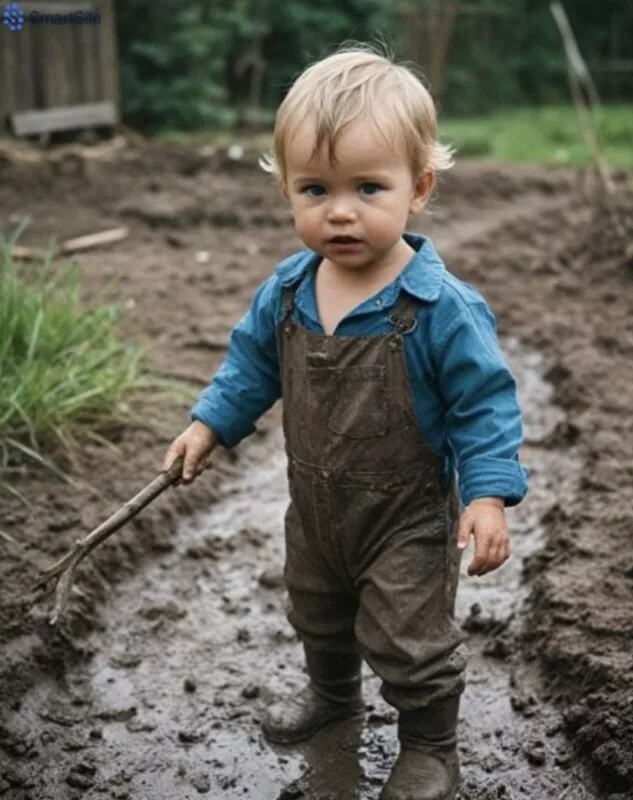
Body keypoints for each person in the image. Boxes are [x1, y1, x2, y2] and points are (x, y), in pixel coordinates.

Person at [162, 43, 528, 800]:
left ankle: (431, 746)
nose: (339, 211)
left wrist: (488, 495)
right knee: (317, 608)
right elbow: (249, 367)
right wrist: (209, 425)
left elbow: (483, 403)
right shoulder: (290, 290)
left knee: (408, 636)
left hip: (406, 516)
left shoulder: (437, 307)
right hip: (319, 504)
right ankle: (334, 701)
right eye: (314, 189)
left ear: (418, 188)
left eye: (368, 187)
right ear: (287, 192)